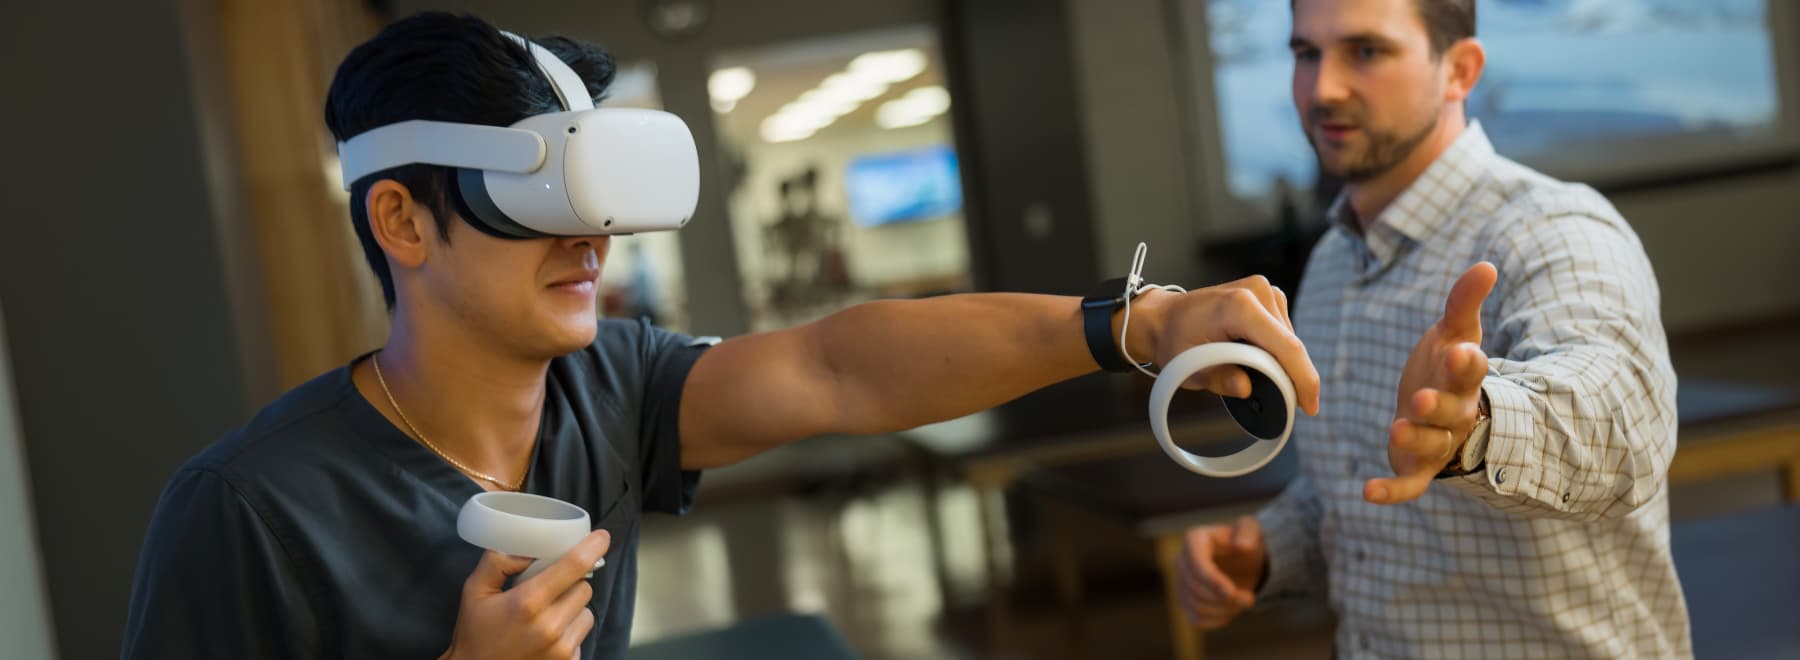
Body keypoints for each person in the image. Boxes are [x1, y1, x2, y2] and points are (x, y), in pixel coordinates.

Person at [119, 12, 1320, 660]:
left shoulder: (611, 387)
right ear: (401, 219)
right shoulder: (246, 513)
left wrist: (1140, 325)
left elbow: (834, 366)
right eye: (545, 199)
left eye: (603, 202)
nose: (592, 241)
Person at [1174, 0, 1685, 657]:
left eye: (1366, 51)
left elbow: (1626, 426)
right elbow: (1356, 490)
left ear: (1460, 70)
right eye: (1306, 53)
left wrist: (1473, 428)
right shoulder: (1333, 262)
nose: (1323, 87)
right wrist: (1266, 549)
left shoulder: (1552, 228)